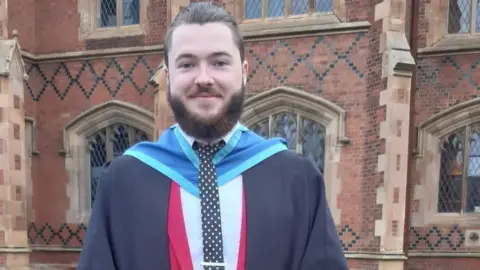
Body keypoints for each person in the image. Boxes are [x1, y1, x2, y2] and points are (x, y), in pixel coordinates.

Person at [77, 2, 348, 270]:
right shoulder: (123, 182)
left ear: (243, 73)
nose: (203, 78)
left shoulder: (297, 180)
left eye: (219, 62)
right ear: (168, 78)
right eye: (187, 64)